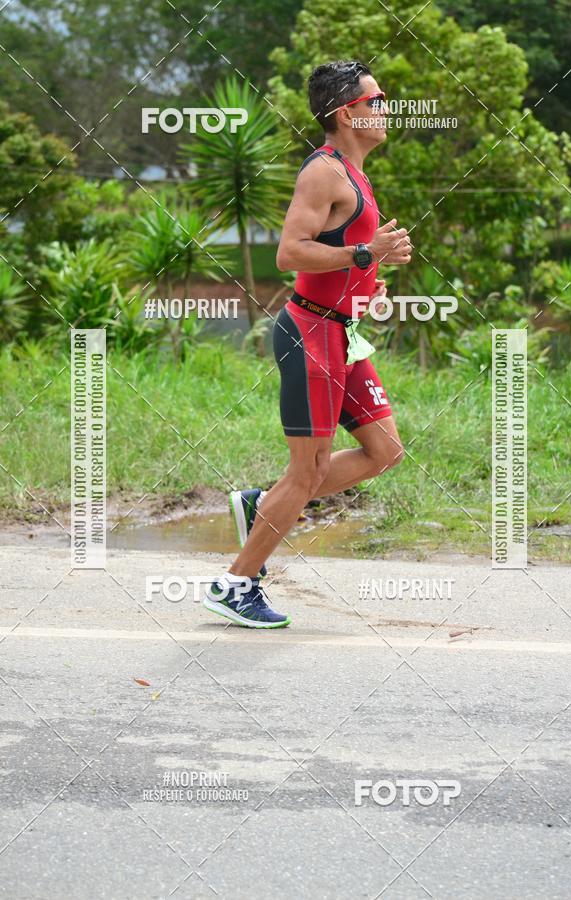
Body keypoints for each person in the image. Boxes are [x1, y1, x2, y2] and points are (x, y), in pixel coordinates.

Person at [204, 60, 412, 628]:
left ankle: (259, 505)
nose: (385, 108)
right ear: (347, 113)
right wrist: (365, 256)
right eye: (378, 98)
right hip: (310, 335)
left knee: (384, 451)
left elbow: (341, 251)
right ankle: (234, 584)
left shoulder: (356, 172)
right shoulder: (323, 172)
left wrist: (371, 274)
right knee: (309, 472)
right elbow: (290, 253)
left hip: (342, 334)